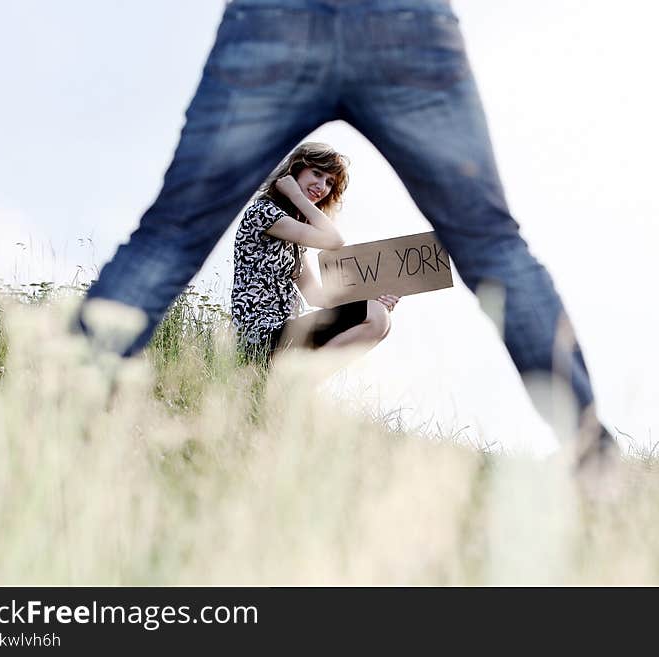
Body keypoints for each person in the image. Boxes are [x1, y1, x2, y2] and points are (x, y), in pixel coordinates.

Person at [77, 0, 617, 466]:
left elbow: (313, 288)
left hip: (276, 23)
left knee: (176, 237)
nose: (317, 190)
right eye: (314, 178)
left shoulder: (295, 233)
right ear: (297, 170)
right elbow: (331, 242)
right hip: (401, 23)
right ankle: (72, 393)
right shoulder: (270, 213)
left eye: (325, 186)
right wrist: (286, 188)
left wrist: (371, 292)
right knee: (495, 244)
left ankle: (63, 402)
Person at [232, 141, 400, 362]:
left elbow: (316, 296)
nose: (322, 186)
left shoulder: (293, 239)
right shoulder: (263, 213)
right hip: (259, 335)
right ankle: (288, 379)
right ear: (295, 171)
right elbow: (334, 240)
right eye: (317, 173)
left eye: (330, 182)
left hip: (284, 329)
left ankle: (294, 385)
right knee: (376, 316)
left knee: (380, 319)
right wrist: (297, 196)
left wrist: (374, 298)